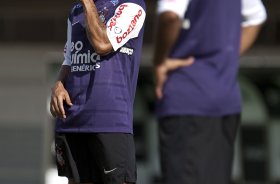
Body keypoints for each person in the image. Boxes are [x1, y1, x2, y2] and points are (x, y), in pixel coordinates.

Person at [153, 0, 267, 184]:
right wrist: (223, 59)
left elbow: (170, 16)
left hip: (187, 94)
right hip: (225, 97)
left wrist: (159, 62)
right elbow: (257, 16)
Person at [49, 0, 146, 183]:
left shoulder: (131, 5)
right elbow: (69, 58)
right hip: (72, 121)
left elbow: (102, 44)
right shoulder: (76, 10)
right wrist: (59, 84)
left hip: (110, 122)